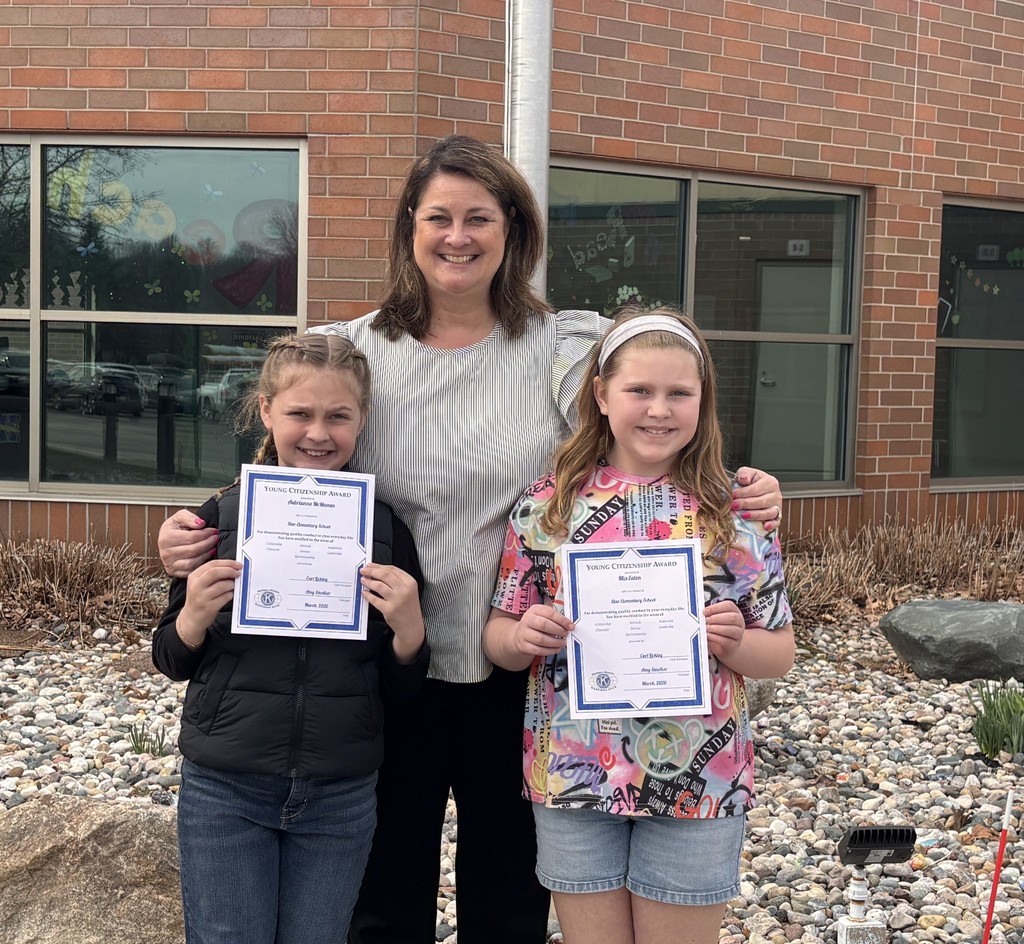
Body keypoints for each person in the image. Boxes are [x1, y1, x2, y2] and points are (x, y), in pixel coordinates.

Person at [157, 135, 785, 944]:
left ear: (513, 230)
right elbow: (295, 464)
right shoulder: (358, 350)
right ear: (409, 229)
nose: (459, 236)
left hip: (522, 668)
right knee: (385, 894)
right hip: (387, 668)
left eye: (479, 218)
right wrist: (194, 528)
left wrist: (742, 489)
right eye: (439, 217)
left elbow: (650, 414)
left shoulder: (562, 349)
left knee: (508, 895)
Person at [483, 307, 795, 944]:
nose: (659, 409)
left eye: (679, 392)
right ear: (600, 395)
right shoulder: (548, 507)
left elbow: (779, 652)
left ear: (702, 400)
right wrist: (522, 637)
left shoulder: (735, 514)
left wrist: (736, 643)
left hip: (698, 781)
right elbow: (501, 635)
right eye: (639, 391)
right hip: (574, 774)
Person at [152, 332, 429, 944]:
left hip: (342, 790)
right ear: (266, 411)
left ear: (363, 420)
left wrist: (410, 629)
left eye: (339, 417)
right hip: (226, 782)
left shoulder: (385, 529)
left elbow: (401, 687)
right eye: (300, 414)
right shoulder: (217, 519)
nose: (318, 433)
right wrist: (194, 612)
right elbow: (170, 657)